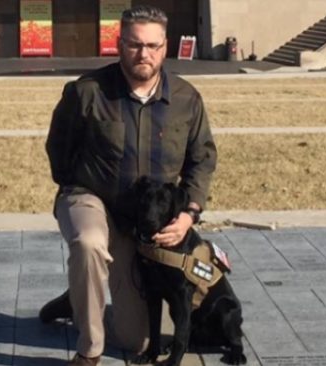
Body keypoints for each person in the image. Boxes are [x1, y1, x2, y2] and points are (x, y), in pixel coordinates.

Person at [41, 5, 217, 366]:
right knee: (89, 242)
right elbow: (59, 148)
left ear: (165, 47)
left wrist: (188, 215)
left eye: (152, 46)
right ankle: (88, 351)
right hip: (92, 199)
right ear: (119, 44)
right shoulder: (86, 92)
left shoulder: (186, 100)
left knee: (136, 341)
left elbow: (202, 160)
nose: (144, 54)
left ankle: (80, 294)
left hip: (147, 222)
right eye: (135, 45)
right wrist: (77, 188)